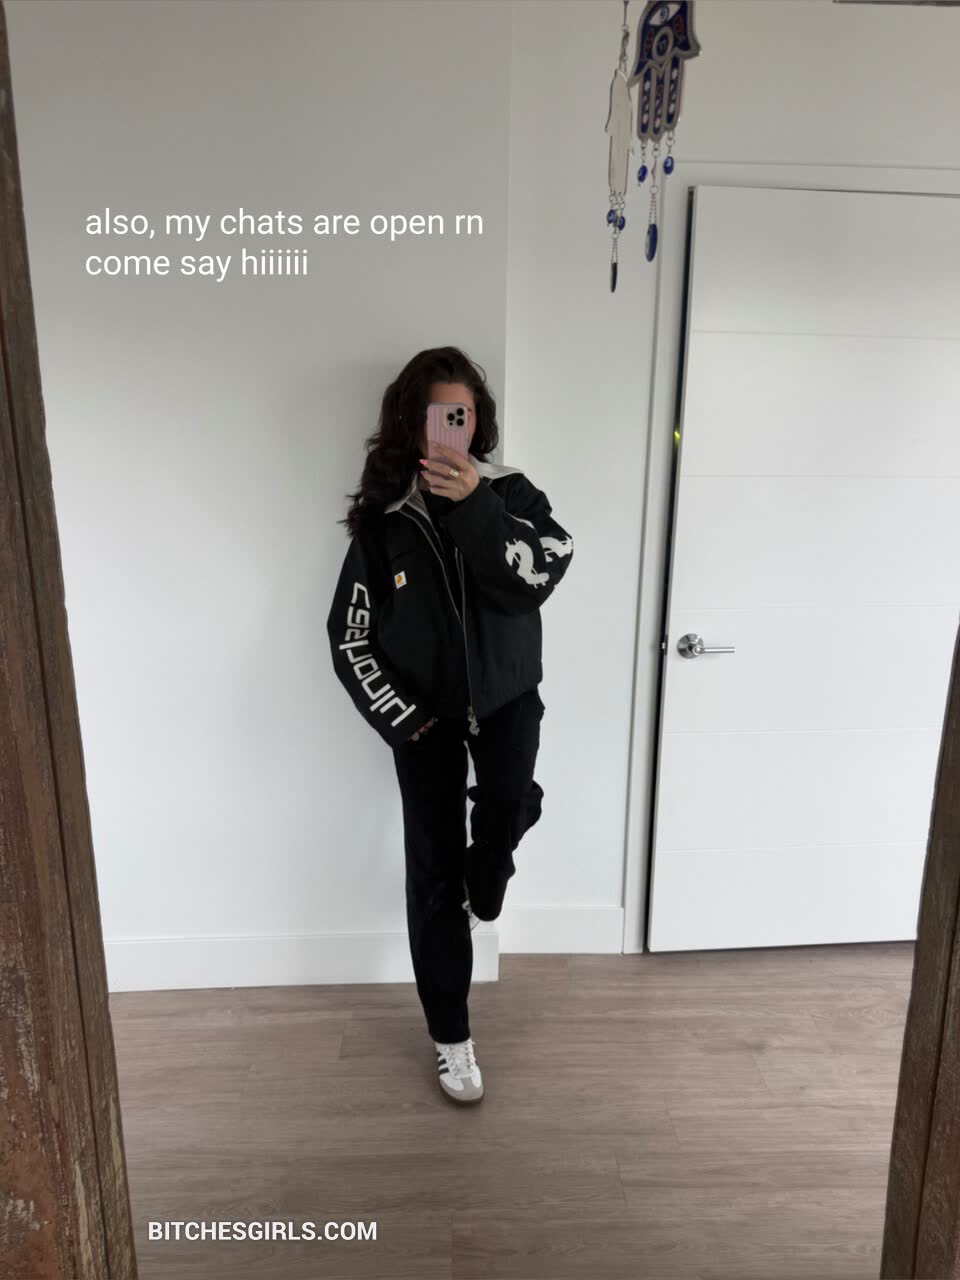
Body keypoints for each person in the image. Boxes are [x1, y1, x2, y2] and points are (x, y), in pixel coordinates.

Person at [326, 347, 574, 1104]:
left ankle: (487, 877)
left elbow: (537, 576)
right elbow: (350, 635)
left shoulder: (512, 494)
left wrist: (476, 507)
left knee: (507, 807)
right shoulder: (385, 523)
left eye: (460, 416)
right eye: (437, 415)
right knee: (432, 874)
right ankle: (451, 1039)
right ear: (412, 421)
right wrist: (404, 721)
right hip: (424, 720)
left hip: (507, 701)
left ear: (477, 421)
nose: (450, 430)